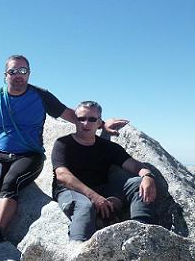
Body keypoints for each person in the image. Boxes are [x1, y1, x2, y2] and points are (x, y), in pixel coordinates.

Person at [0, 54, 128, 243]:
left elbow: (72, 116)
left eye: (23, 71)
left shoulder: (40, 95)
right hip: (0, 156)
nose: (18, 75)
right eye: (13, 71)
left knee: (9, 183)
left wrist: (102, 124)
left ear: (29, 74)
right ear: (5, 75)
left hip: (29, 156)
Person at [52, 100, 157, 241]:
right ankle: (77, 247)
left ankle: (142, 234)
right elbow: (62, 176)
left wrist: (148, 176)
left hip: (101, 190)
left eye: (92, 119)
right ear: (75, 121)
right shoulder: (63, 144)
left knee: (139, 183)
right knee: (85, 207)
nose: (85, 123)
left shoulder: (108, 147)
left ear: (99, 123)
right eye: (81, 119)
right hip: (70, 191)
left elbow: (136, 166)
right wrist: (95, 198)